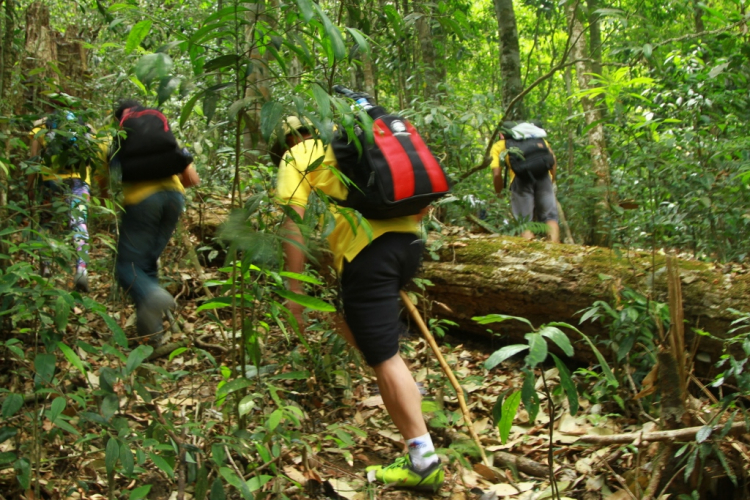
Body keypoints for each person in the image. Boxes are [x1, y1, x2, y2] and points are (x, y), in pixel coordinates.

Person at [276, 116, 444, 492]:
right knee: (350, 323)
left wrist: (294, 293)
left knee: (383, 356)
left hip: (369, 254)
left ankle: (423, 462)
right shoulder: (354, 146)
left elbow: (293, 224)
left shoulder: (297, 156)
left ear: (287, 138)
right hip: (409, 244)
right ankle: (410, 392)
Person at [112, 99, 200, 345]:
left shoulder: (121, 138)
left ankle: (152, 295)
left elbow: (111, 179)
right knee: (146, 265)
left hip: (141, 201)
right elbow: (192, 178)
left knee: (127, 268)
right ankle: (152, 336)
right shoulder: (164, 139)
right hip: (174, 198)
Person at [27, 102, 106, 292]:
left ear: (48, 107)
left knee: (47, 222)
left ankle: (45, 267)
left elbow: (33, 159)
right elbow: (96, 156)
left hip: (50, 180)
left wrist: (30, 186)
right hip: (79, 181)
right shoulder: (84, 127)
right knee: (79, 222)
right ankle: (81, 268)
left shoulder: (41, 127)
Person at [490, 121, 560, 243]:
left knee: (524, 221)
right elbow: (553, 161)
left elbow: (497, 174)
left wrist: (498, 193)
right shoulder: (539, 140)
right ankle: (555, 250)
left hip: (520, 180)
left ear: (503, 134)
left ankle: (530, 254)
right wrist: (552, 181)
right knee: (550, 217)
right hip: (544, 178)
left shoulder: (500, 145)